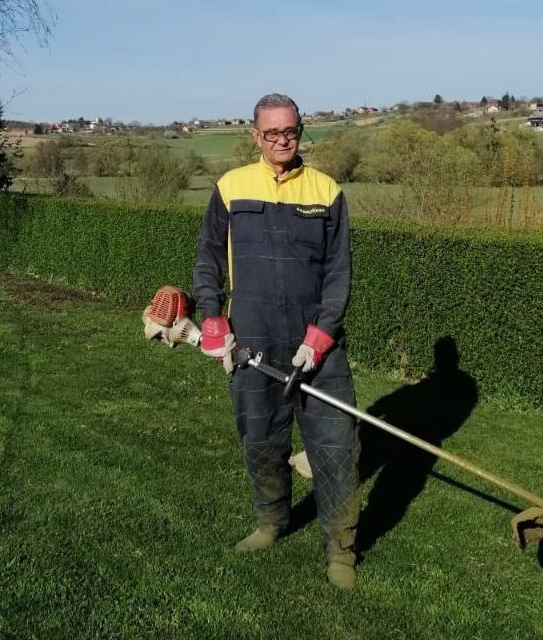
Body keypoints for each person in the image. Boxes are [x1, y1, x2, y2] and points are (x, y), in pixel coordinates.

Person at [192, 93, 360, 589]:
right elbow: (208, 262)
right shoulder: (230, 188)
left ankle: (342, 550)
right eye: (272, 133)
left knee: (336, 446)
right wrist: (212, 321)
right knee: (261, 441)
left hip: (316, 346)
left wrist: (322, 334)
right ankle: (271, 522)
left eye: (290, 131)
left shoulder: (326, 191)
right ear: (255, 136)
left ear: (301, 131)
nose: (282, 141)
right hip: (252, 339)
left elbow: (339, 273)